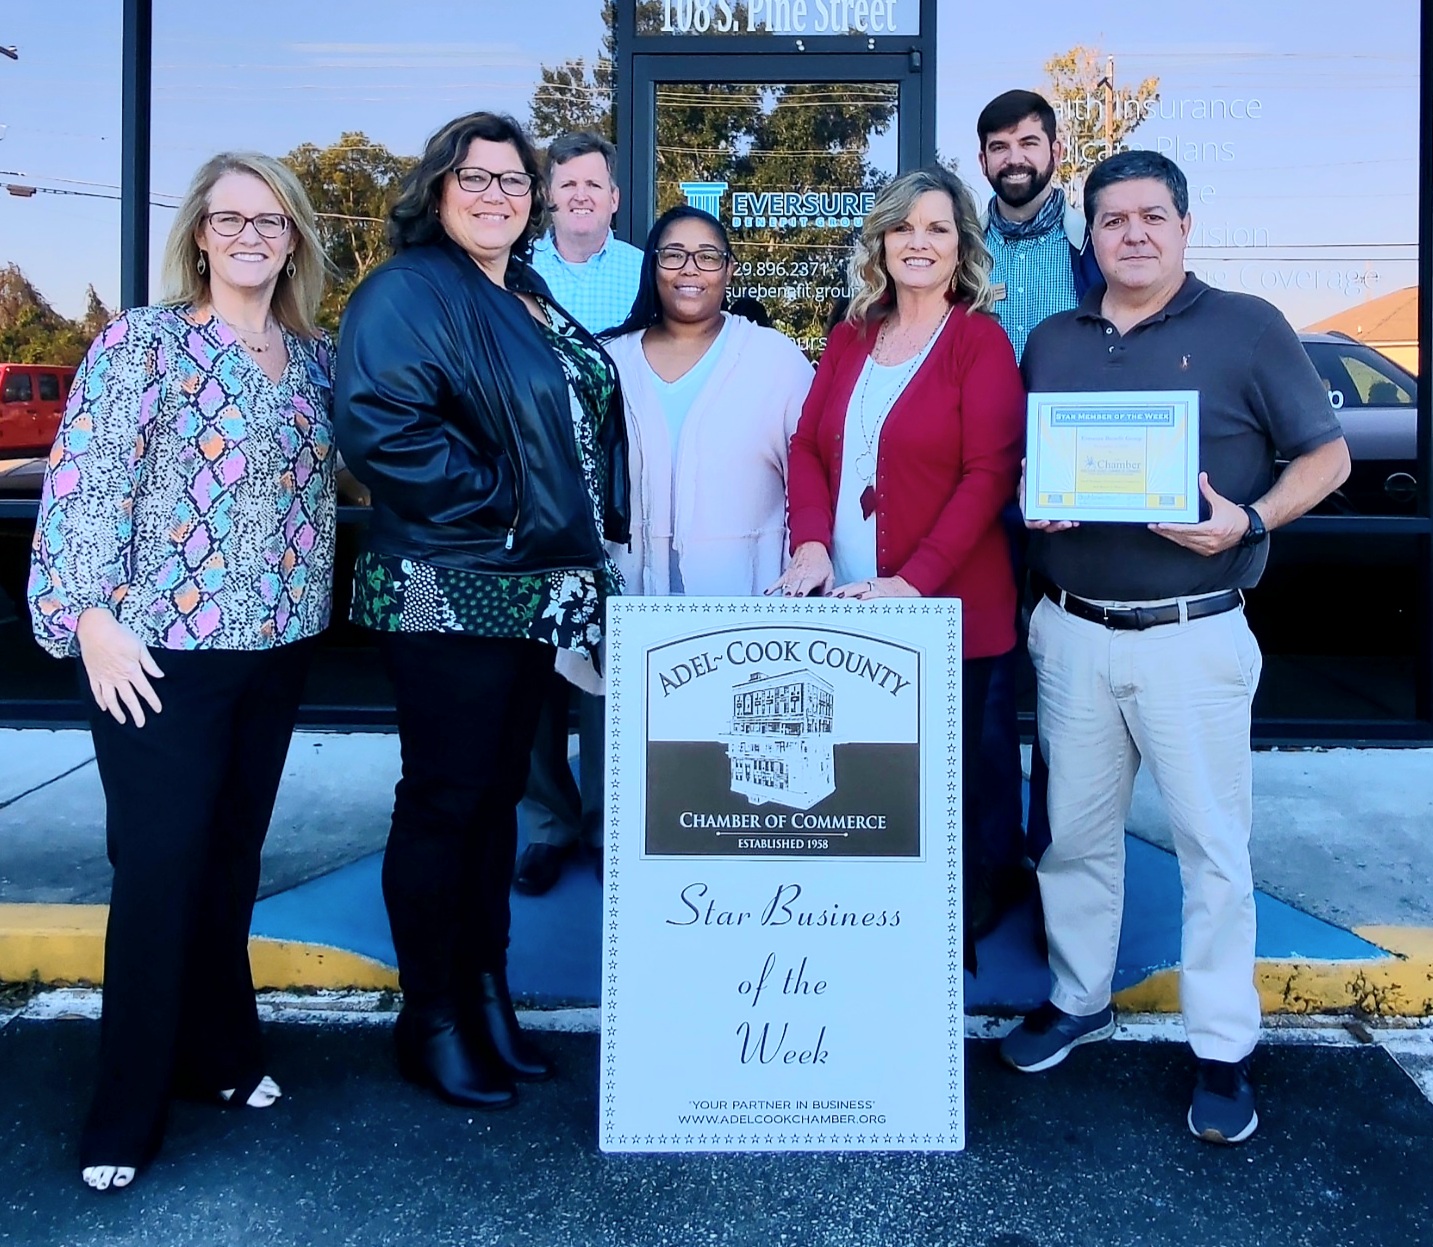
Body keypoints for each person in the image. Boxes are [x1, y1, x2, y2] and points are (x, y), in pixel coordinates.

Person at [999, 150, 1350, 1145]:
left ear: (1184, 226)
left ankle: (1221, 1047)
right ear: (1091, 234)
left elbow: (1326, 455)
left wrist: (1250, 519)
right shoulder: (1052, 339)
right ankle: (1078, 996)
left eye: (1151, 216)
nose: (1133, 234)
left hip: (1191, 634)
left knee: (1210, 849)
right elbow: (1028, 463)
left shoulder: (1246, 326)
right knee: (1071, 836)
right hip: (1070, 630)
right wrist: (1032, 499)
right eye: (1112, 220)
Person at [27, 152, 336, 1191]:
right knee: (160, 870)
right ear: (200, 233)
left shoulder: (314, 359)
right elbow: (84, 481)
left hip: (277, 645)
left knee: (229, 863)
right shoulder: (144, 344)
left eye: (270, 220)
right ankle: (124, 1111)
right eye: (230, 218)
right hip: (158, 653)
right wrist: (89, 618)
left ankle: (221, 1053)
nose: (250, 236)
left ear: (293, 239)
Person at [336, 111, 629, 1111]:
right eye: (476, 177)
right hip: (446, 587)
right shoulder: (408, 289)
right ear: (437, 189)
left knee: (494, 799)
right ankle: (431, 1015)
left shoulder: (523, 290)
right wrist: (513, 502)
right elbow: (383, 430)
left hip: (526, 591)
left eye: (513, 181)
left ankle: (484, 988)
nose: (497, 195)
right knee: (444, 802)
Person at [771, 165, 1025, 950]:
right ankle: (874, 906)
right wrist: (811, 542)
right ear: (880, 242)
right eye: (903, 227)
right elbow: (806, 445)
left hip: (949, 607)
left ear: (961, 247)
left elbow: (989, 474)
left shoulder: (978, 341)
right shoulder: (851, 335)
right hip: (849, 593)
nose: (918, 242)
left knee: (957, 773)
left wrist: (913, 582)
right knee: (867, 761)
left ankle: (964, 909)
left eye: (936, 228)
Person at [974, 89, 1102, 928]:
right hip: (980, 493)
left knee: (1068, 697)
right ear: (982, 158)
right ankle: (991, 867)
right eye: (998, 145)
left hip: (1078, 492)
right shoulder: (958, 246)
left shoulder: (1090, 246)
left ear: (1054, 149)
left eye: (1028, 141)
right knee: (986, 693)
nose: (1014, 157)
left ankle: (1057, 863)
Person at [517, 131, 644, 896]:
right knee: (533, 670)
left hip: (618, 497)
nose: (580, 196)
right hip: (529, 496)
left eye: (593, 184)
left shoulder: (642, 272)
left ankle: (604, 825)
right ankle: (546, 825)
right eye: (567, 185)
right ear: (548, 196)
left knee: (607, 665)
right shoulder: (512, 271)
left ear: (614, 198)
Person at [603, 205, 812, 597]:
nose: (690, 269)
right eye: (674, 255)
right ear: (652, 267)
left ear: (729, 270)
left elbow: (815, 475)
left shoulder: (774, 360)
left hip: (747, 608)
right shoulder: (610, 362)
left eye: (708, 257)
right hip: (627, 606)